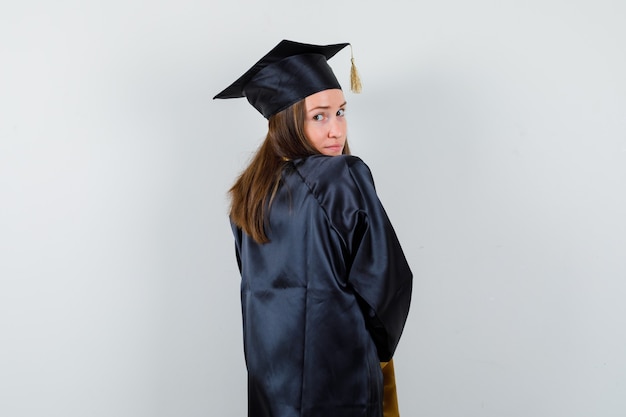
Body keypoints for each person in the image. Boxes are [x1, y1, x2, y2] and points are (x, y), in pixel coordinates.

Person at [214, 40, 413, 417]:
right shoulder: (343, 176)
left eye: (340, 112)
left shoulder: (249, 194)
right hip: (341, 373)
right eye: (319, 116)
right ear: (288, 119)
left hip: (271, 377)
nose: (336, 130)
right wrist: (379, 350)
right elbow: (387, 280)